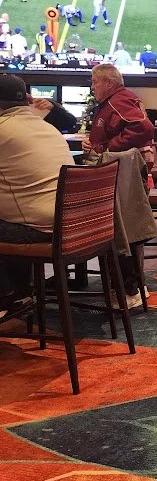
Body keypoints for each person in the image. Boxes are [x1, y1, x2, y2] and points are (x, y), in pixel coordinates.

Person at [0, 74, 73, 319]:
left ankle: (7, 297)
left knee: (14, 220)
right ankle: (19, 292)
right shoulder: (47, 127)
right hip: (71, 225)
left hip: (40, 228)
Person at [82, 65, 155, 306]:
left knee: (123, 231)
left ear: (109, 83)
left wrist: (107, 148)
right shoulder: (118, 100)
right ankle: (133, 288)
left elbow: (144, 128)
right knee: (128, 230)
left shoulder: (119, 100)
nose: (92, 87)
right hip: (123, 176)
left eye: (95, 82)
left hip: (121, 178)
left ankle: (130, 290)